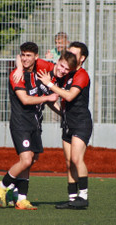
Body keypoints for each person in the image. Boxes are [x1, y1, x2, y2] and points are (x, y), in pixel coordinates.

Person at [0, 42, 58, 210]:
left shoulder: (42, 69)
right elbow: (25, 99)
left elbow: (60, 67)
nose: (24, 58)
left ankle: (20, 198)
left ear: (36, 57)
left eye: (29, 55)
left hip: (35, 123)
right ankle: (3, 184)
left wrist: (64, 115)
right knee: (26, 159)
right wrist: (48, 98)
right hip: (20, 123)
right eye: (22, 55)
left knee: (32, 160)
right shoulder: (17, 74)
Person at [37, 42, 92, 209]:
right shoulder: (65, 72)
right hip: (67, 122)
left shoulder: (81, 75)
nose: (70, 57)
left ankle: (83, 196)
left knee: (76, 159)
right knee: (68, 162)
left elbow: (69, 96)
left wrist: (50, 85)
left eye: (74, 55)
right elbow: (33, 60)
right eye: (68, 53)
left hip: (81, 122)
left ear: (82, 58)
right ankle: (72, 198)